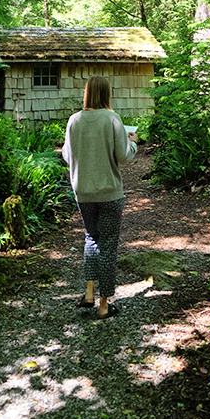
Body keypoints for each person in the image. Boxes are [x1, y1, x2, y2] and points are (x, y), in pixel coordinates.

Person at [62, 75, 138, 319]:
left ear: (86, 93)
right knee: (108, 243)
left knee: (91, 238)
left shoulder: (74, 120)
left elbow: (66, 155)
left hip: (83, 192)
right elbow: (124, 156)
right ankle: (104, 304)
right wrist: (133, 143)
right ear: (107, 94)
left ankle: (89, 292)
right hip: (109, 192)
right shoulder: (112, 118)